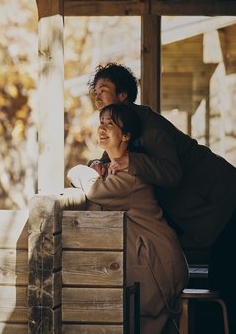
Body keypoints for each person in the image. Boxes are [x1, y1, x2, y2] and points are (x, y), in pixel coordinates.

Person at [87, 62, 236, 334]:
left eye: (104, 90)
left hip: (227, 195)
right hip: (215, 204)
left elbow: (171, 173)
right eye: (95, 92)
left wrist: (132, 161)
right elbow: (112, 160)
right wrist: (97, 164)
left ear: (123, 96)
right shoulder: (120, 126)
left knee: (231, 283)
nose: (97, 97)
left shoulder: (147, 122)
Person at [68, 103, 189, 334]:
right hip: (154, 258)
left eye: (110, 124)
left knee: (144, 324)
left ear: (126, 136)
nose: (102, 128)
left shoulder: (129, 175)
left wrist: (81, 170)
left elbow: (94, 190)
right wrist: (97, 165)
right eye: (101, 123)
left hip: (157, 262)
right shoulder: (117, 167)